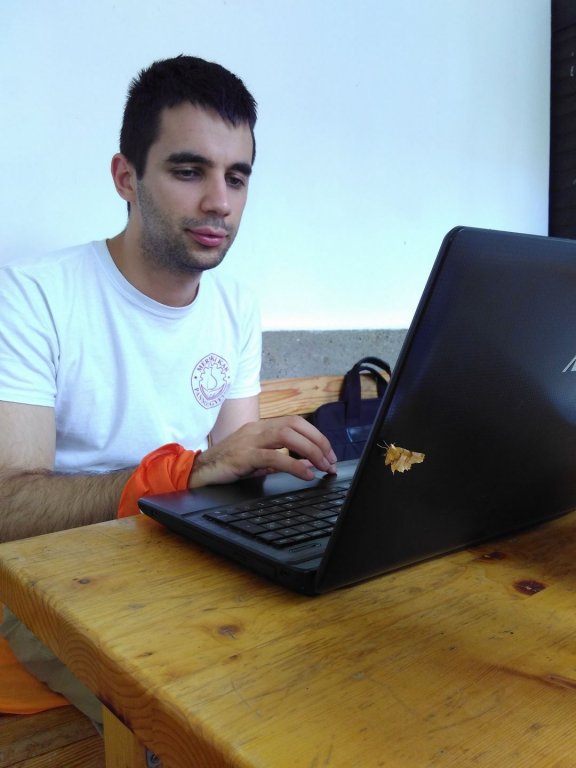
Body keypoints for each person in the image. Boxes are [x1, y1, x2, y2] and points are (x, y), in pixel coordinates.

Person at [0, 55, 336, 725]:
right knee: (209, 724)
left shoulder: (235, 306)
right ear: (126, 177)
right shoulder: (33, 297)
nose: (220, 202)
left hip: (178, 568)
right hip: (54, 586)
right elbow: (9, 508)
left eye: (236, 177)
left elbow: (233, 472)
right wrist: (185, 472)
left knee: (333, 664)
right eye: (189, 171)